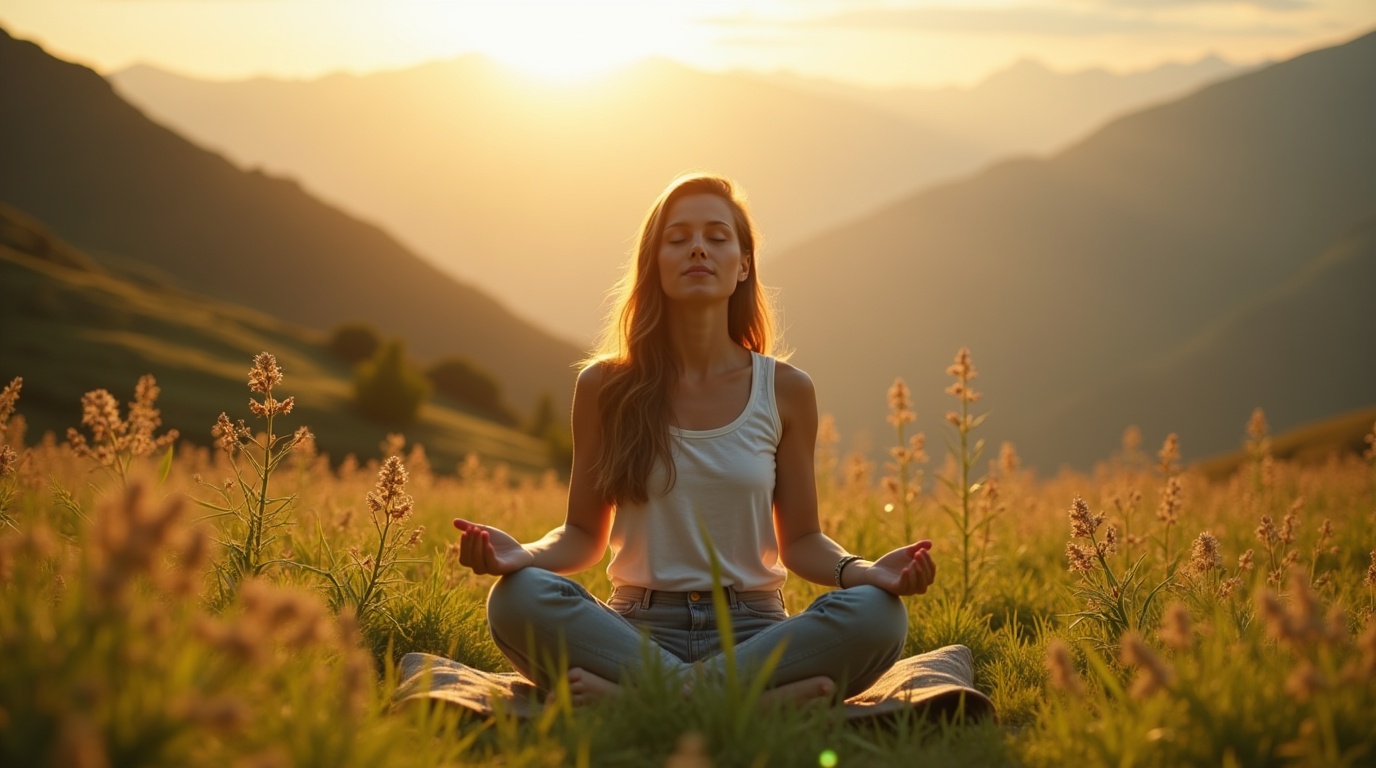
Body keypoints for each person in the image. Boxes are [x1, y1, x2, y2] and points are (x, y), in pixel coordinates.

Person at [453, 173, 936, 706]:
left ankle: (639, 701)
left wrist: (862, 571)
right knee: (517, 599)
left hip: (754, 631)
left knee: (877, 612)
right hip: (635, 631)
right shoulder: (604, 387)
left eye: (717, 236)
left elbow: (800, 542)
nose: (698, 248)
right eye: (678, 238)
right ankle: (751, 704)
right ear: (655, 263)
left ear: (744, 263)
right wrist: (522, 555)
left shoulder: (786, 390)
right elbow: (581, 535)